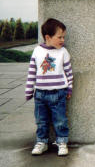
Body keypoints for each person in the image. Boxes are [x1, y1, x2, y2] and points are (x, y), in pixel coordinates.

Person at [25, 18, 73, 156]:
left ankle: (62, 142)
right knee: (41, 121)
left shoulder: (63, 52)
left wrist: (69, 88)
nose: (63, 40)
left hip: (59, 93)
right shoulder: (37, 51)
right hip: (40, 94)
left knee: (60, 121)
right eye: (59, 37)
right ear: (48, 37)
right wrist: (29, 91)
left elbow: (69, 73)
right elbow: (32, 72)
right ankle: (41, 142)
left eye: (64, 37)